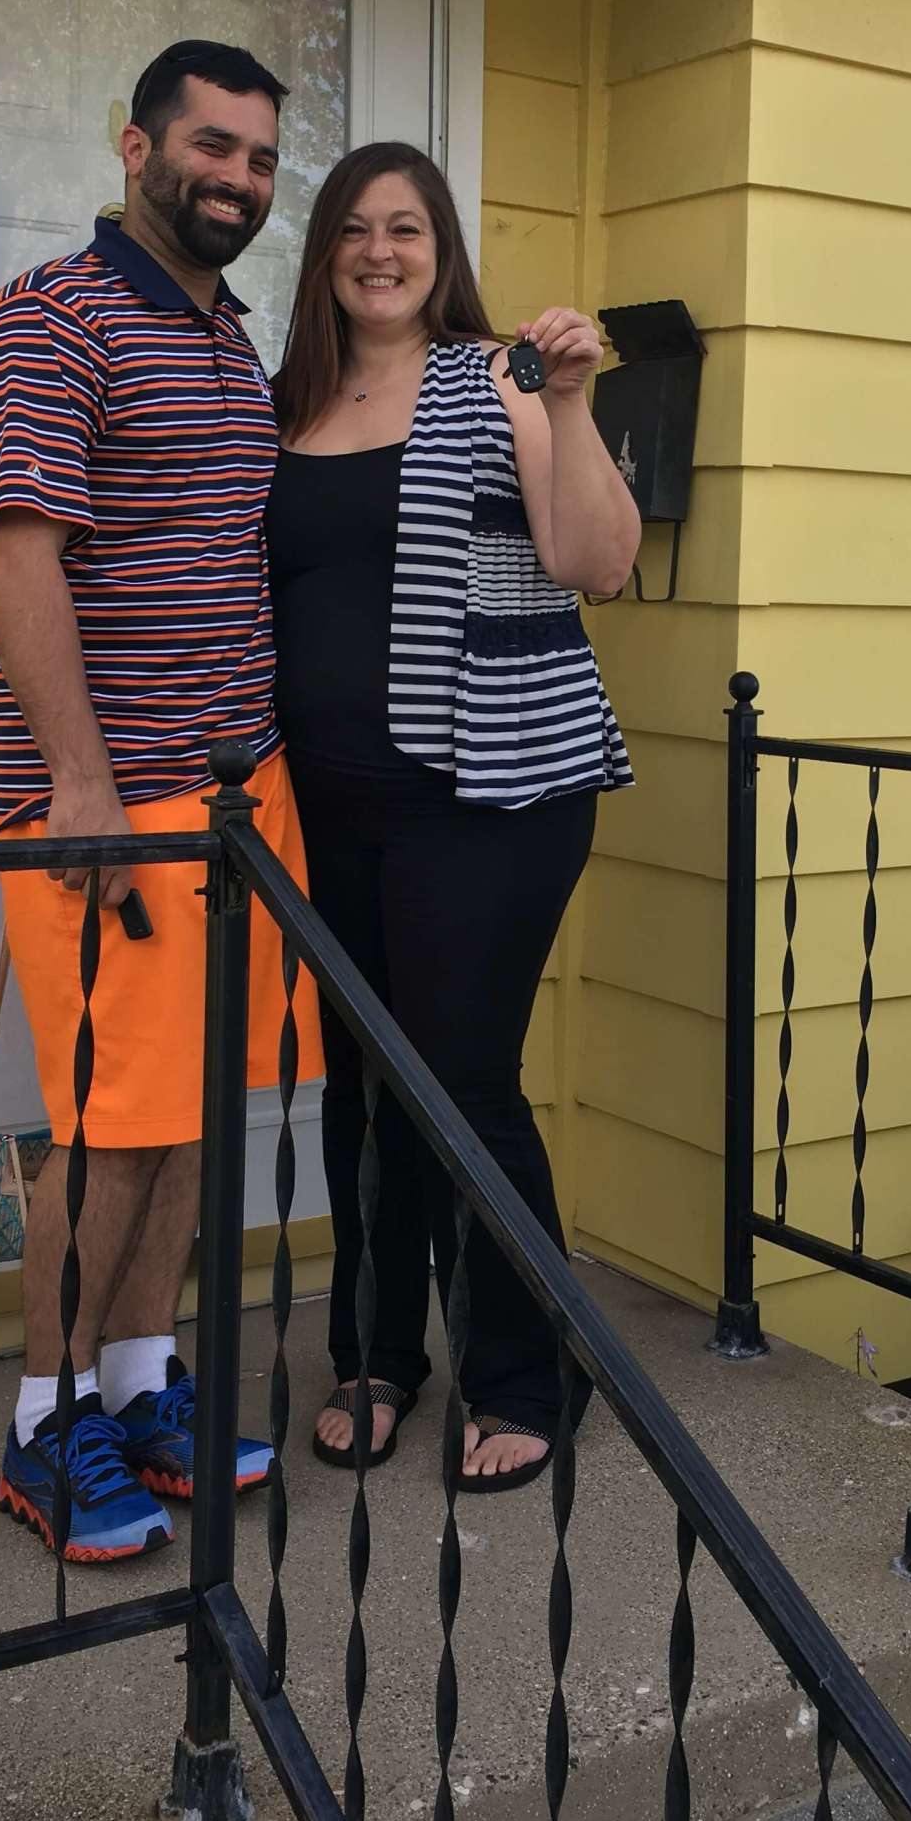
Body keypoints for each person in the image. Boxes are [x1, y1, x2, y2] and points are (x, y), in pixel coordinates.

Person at [0, 39, 323, 1561]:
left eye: (258, 158)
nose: (237, 178)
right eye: (212, 147)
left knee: (192, 1124)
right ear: (134, 146)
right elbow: (15, 552)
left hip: (244, 797)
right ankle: (45, 1429)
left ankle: (136, 1379)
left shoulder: (229, 336)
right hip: (115, 809)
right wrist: (86, 790)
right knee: (111, 1130)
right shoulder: (50, 318)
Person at [265, 142, 639, 1493]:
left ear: (441, 248)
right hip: (330, 810)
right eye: (355, 228)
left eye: (406, 226)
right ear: (323, 255)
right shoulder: (289, 403)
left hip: (488, 796)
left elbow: (596, 561)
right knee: (362, 1086)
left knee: (460, 1083)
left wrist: (579, 401)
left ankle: (520, 1373)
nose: (381, 249)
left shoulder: (502, 380)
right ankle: (375, 1356)